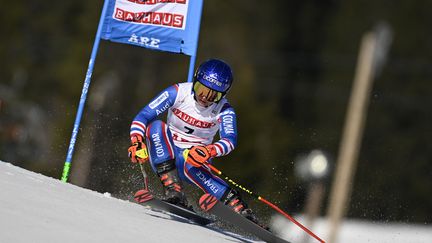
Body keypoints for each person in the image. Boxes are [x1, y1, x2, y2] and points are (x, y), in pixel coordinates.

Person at [127, 58, 259, 223]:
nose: (204, 97)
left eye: (213, 94)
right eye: (200, 88)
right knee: (155, 127)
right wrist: (137, 141)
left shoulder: (224, 110)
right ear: (195, 81)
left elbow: (230, 140)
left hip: (195, 159)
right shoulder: (179, 92)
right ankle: (174, 191)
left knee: (192, 164)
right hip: (166, 156)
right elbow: (143, 116)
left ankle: (240, 208)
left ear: (223, 95)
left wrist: (209, 150)